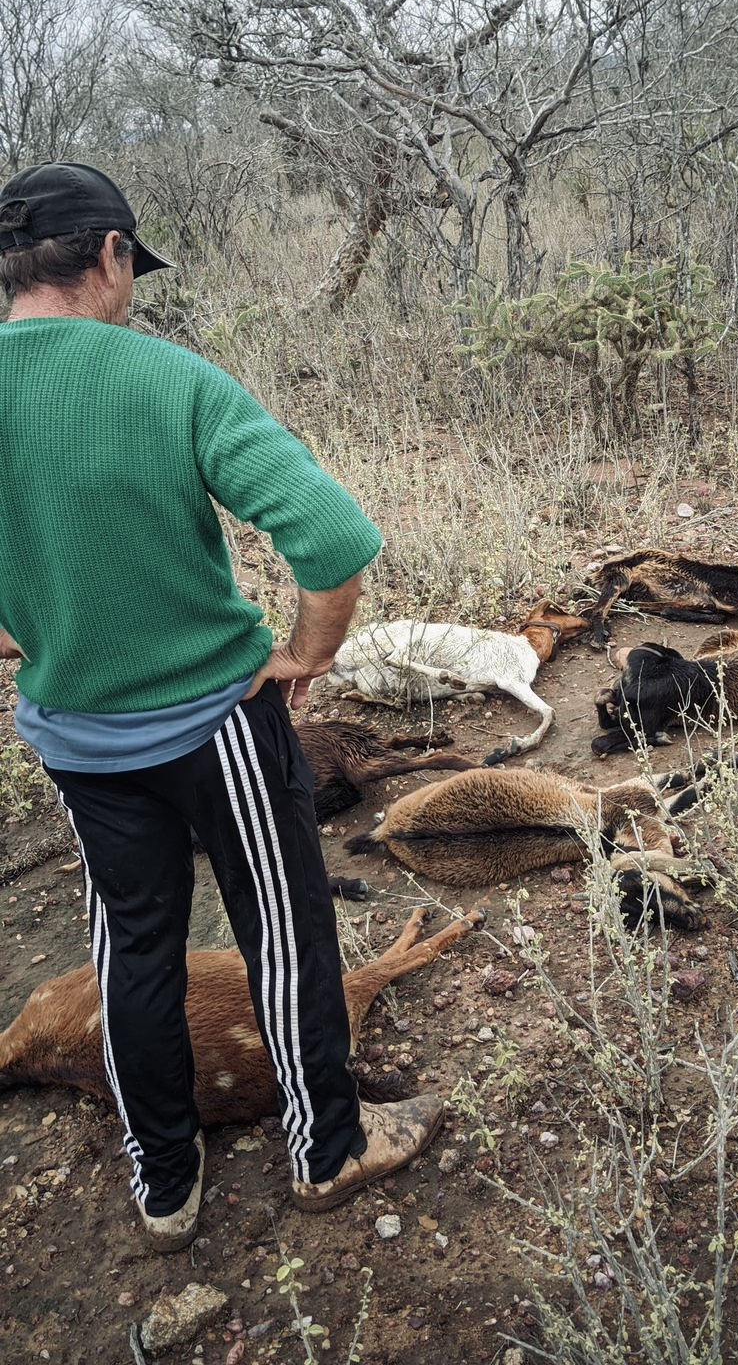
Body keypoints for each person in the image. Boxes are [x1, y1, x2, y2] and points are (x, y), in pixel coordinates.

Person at [0, 161, 443, 1252]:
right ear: (108, 253)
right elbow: (335, 541)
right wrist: (302, 655)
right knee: (283, 927)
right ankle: (326, 1149)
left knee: (132, 947)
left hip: (77, 743)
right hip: (218, 724)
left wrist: (35, 629)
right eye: (130, 266)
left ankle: (162, 1183)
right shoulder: (167, 379)